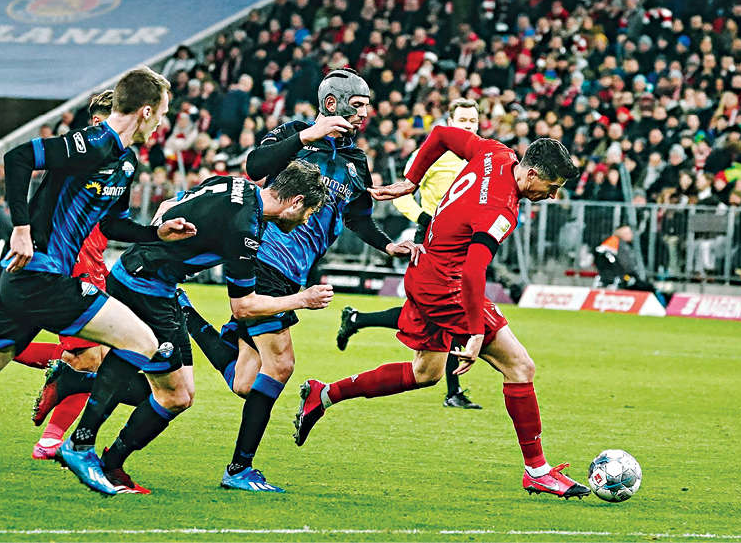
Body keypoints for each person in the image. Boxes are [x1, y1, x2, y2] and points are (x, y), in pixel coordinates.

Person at [293, 126, 592, 499]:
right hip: (447, 287)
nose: (553, 195)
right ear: (531, 173)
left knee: (426, 373)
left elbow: (442, 134)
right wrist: (476, 331)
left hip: (425, 270)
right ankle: (538, 471)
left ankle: (324, 394)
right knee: (520, 367)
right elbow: (473, 271)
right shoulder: (500, 208)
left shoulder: (495, 153)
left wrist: (411, 182)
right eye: (552, 186)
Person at [0, 66, 197, 489]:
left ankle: (70, 392)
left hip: (24, 284)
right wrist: (21, 229)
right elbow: (18, 158)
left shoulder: (125, 162)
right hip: (40, 277)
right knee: (144, 342)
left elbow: (111, 224)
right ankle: (79, 445)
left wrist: (157, 233)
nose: (162, 124)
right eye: (163, 114)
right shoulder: (94, 143)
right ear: (146, 111)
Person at [179, 68, 421, 493]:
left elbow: (357, 217)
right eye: (357, 105)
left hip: (294, 273)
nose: (364, 114)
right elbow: (255, 166)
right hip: (263, 257)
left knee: (245, 380)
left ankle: (184, 314)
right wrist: (310, 134)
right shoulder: (295, 134)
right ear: (331, 104)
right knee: (281, 365)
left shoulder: (356, 162)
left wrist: (388, 246)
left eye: (367, 106)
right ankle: (239, 469)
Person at [59, 160, 329, 495]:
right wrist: (301, 300)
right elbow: (243, 307)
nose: (306, 221)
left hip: (151, 281)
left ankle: (101, 447)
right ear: (296, 202)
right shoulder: (244, 229)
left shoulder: (234, 184)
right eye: (309, 213)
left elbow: (166, 205)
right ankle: (87, 448)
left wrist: (163, 246)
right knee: (167, 388)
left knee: (178, 393)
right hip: (144, 288)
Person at [335, 98, 484, 409]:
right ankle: (453, 391)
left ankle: (357, 319)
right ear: (449, 122)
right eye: (462, 121)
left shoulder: (482, 155)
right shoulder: (433, 154)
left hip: (464, 241)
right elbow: (402, 194)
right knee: (445, 310)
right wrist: (423, 218)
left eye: (473, 121)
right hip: (431, 237)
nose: (468, 126)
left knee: (433, 313)